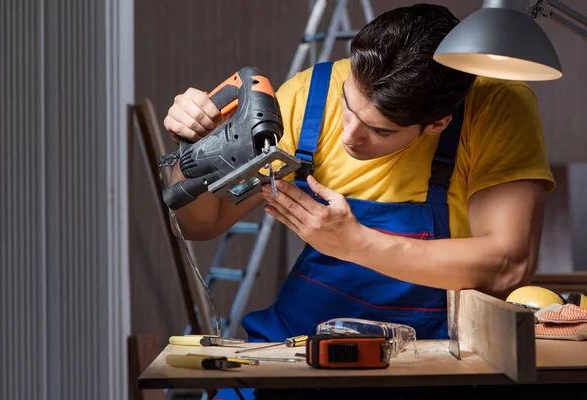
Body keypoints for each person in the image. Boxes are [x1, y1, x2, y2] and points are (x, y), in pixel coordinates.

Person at [163, 3, 555, 399]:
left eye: (379, 131)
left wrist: (355, 243)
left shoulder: (495, 106)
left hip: (429, 358)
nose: (350, 135)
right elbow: (202, 224)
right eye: (348, 106)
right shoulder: (310, 94)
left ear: (437, 123)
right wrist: (193, 150)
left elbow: (508, 264)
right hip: (298, 345)